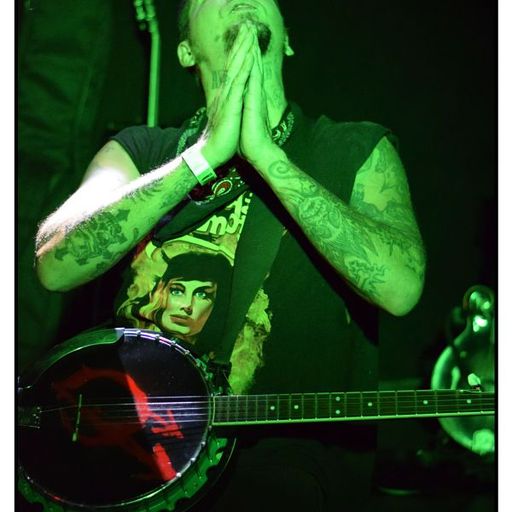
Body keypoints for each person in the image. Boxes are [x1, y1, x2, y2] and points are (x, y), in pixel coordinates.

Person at [34, 0, 426, 510]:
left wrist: (266, 156)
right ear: (184, 51)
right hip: (134, 467)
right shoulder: (139, 152)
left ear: (287, 39)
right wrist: (202, 157)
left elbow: (400, 289)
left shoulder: (354, 149)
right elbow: (55, 264)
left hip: (287, 474)